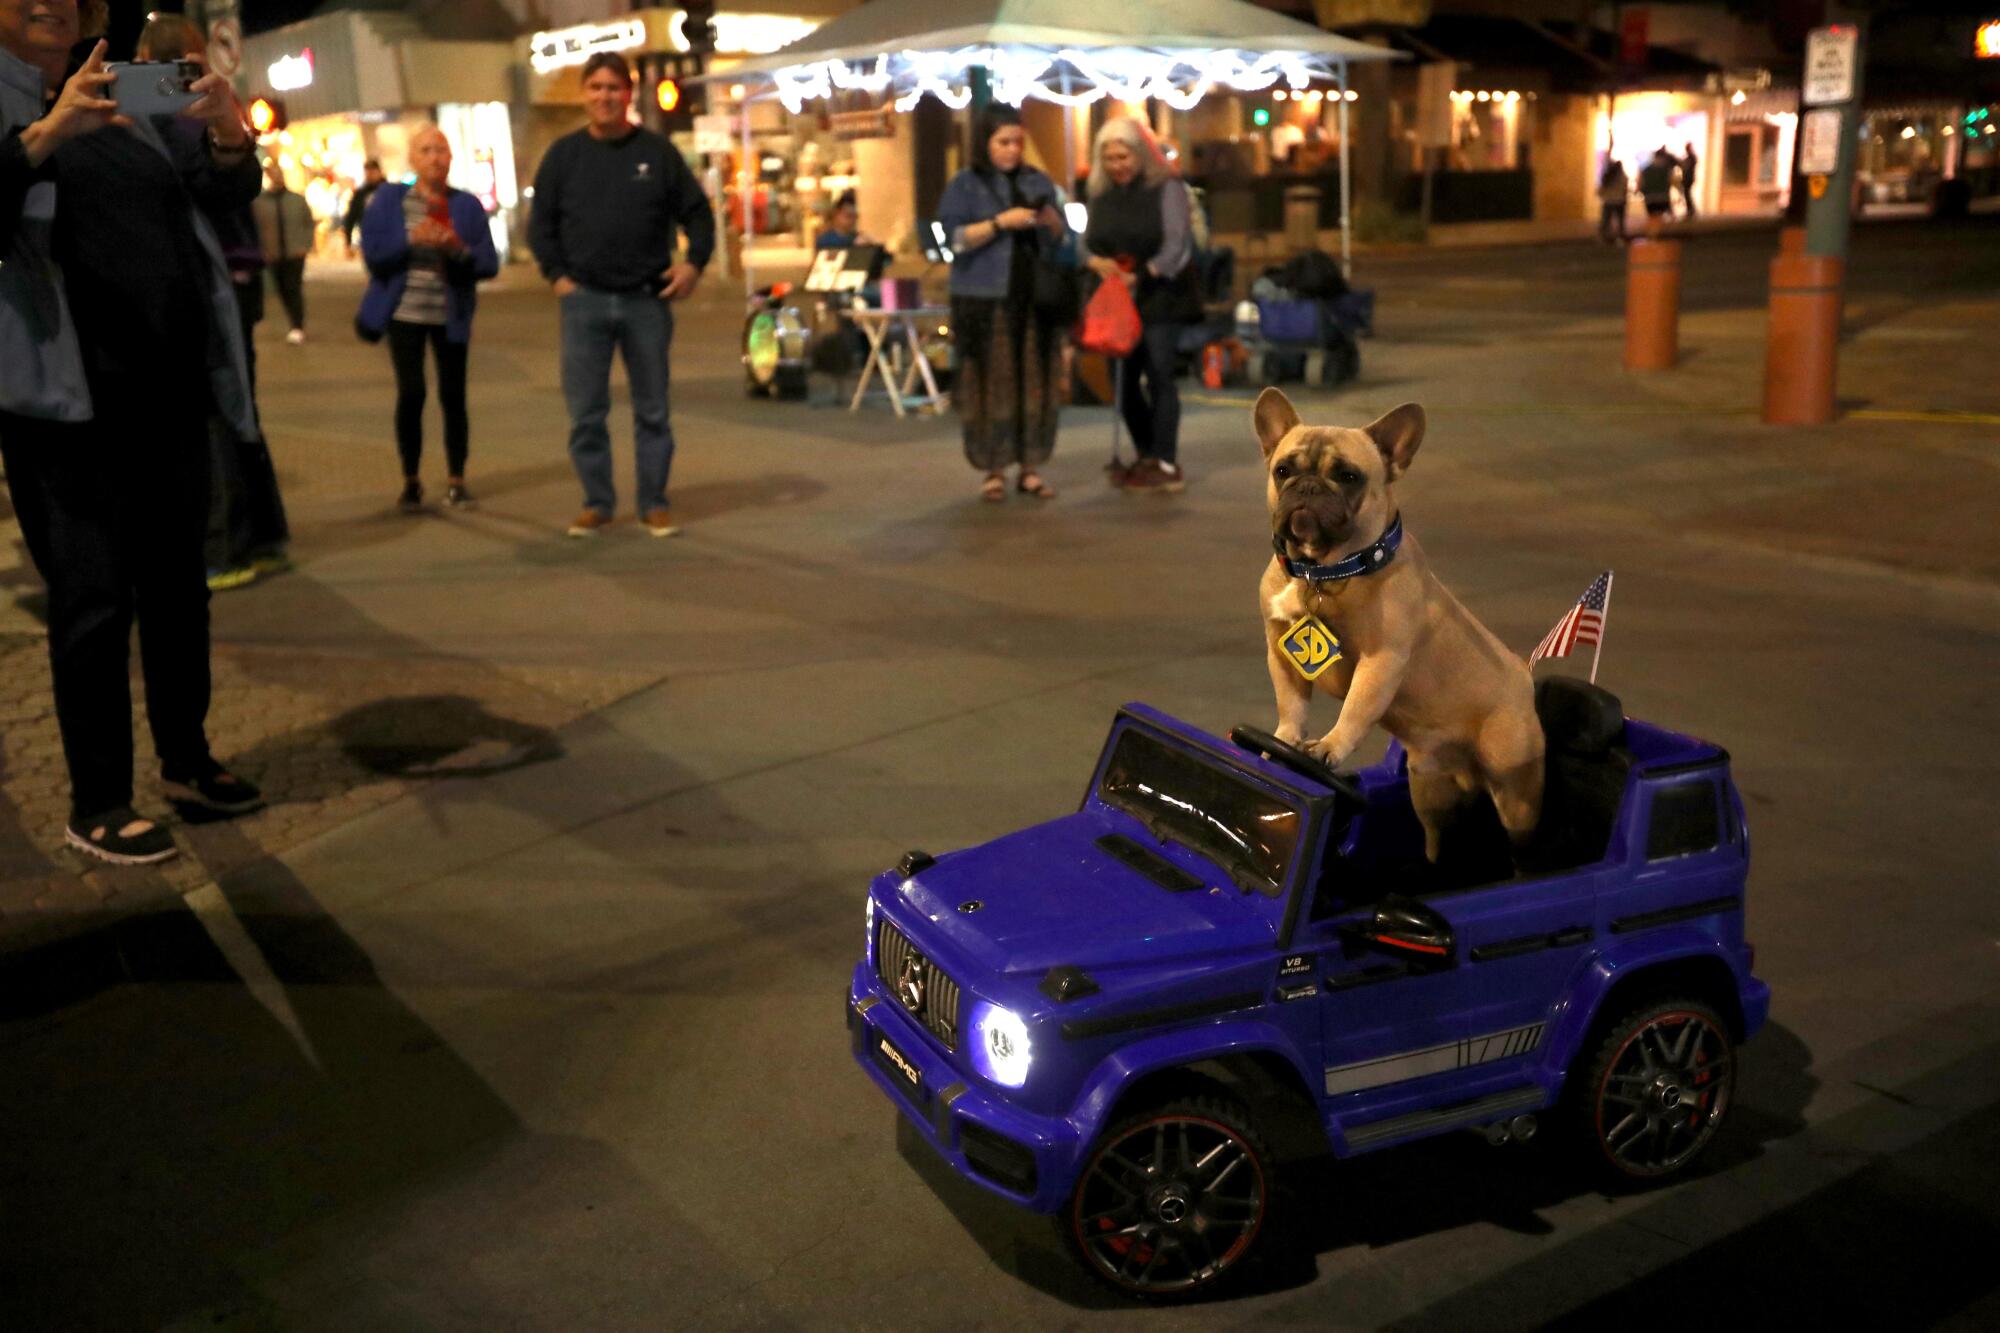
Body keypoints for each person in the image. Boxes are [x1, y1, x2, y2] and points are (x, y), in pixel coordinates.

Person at [1, 5, 266, 864]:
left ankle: (187, 760)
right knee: (93, 598)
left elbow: (223, 194)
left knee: (179, 585)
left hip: (168, 388)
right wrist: (45, 132)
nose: (50, 5)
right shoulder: (27, 103)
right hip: (67, 401)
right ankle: (99, 799)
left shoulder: (124, 90)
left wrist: (230, 134)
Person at [529, 51, 714, 539]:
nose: (605, 96)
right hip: (583, 301)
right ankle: (597, 502)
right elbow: (541, 225)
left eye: (614, 88)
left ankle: (653, 502)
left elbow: (698, 213)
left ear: (628, 95)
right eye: (596, 88)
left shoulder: (656, 153)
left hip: (645, 301)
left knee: (652, 409)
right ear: (583, 95)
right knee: (586, 412)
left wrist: (694, 264)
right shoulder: (563, 156)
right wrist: (557, 277)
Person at [135, 12, 289, 593]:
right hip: (234, 277)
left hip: (209, 283)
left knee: (216, 413)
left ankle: (226, 545)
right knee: (238, 405)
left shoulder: (174, 114)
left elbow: (206, 183)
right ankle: (263, 534)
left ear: (146, 59)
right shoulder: (212, 103)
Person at [357, 125, 499, 514]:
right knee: (412, 393)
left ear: (451, 158)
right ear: (412, 159)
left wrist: (457, 248)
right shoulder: (389, 200)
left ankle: (457, 480)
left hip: (450, 314)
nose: (435, 157)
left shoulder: (466, 206)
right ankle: (411, 480)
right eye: (426, 150)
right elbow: (374, 256)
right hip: (404, 314)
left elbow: (488, 263)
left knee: (453, 396)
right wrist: (411, 241)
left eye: (441, 150)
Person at [935, 106, 1069, 503]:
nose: (1011, 150)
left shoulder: (1036, 179)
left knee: (1035, 383)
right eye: (1003, 142)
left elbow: (1062, 237)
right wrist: (1000, 223)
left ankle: (1030, 467)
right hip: (983, 300)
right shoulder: (966, 183)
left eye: (1017, 142)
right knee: (991, 384)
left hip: (1033, 299)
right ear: (985, 143)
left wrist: (1050, 222)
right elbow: (954, 239)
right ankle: (993, 469)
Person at [1082, 116, 1200, 494]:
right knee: (1124, 380)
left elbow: (1177, 245)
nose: (1118, 165)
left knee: (1160, 372)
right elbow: (1087, 240)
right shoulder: (1099, 191)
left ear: (1140, 154)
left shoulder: (1167, 188)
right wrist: (1094, 261)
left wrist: (1144, 274)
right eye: (1110, 158)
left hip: (1160, 294)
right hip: (1119, 297)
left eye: (1124, 156)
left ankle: (1165, 459)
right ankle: (1146, 452)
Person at [254, 158, 313, 343]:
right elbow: (256, 228)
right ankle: (293, 320)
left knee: (293, 287)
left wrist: (305, 245)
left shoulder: (296, 200)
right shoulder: (260, 203)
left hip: (295, 252)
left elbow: (308, 224)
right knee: (282, 289)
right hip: (273, 253)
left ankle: (297, 324)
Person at [342, 157, 383, 255]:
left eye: (373, 171)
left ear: (379, 172)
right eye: (367, 172)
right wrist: (348, 242)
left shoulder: (389, 191)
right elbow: (351, 217)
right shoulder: (360, 194)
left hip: (387, 237)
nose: (370, 175)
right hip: (368, 237)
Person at [1638, 147, 1677, 235]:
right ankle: (1658, 233)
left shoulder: (1646, 169)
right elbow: (1670, 181)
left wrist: (1642, 191)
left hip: (1649, 198)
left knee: (1652, 217)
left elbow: (1641, 183)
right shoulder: (1666, 169)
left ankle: (1652, 234)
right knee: (1660, 217)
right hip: (1662, 197)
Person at [1597, 157, 1629, 244]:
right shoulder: (1623, 177)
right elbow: (1625, 189)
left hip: (1608, 201)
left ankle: (1604, 237)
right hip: (1619, 201)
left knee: (1606, 221)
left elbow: (1600, 190)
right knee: (1620, 221)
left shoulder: (1608, 177)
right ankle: (1620, 237)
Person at [1679, 141, 1699, 220]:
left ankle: (1691, 210)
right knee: (1687, 194)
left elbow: (1686, 167)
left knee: (1687, 194)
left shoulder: (1691, 157)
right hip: (1688, 178)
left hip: (1688, 178)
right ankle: (1690, 209)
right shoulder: (1691, 157)